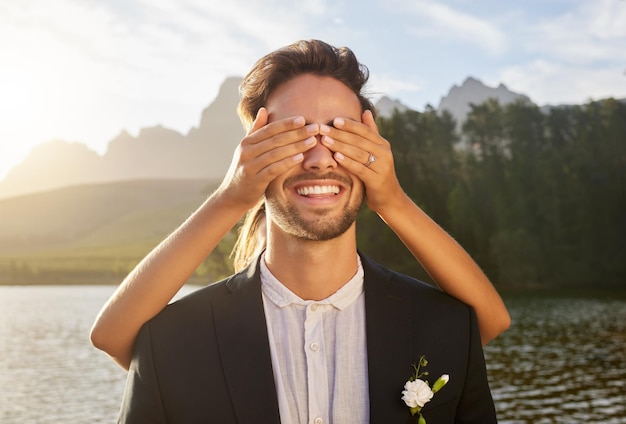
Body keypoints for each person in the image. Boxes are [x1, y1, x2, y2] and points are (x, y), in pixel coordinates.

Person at [93, 39, 509, 423]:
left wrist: (392, 198)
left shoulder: (440, 327)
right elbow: (111, 336)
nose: (318, 158)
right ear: (253, 153)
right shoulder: (178, 340)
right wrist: (233, 195)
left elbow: (491, 321)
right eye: (292, 134)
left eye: (340, 133)